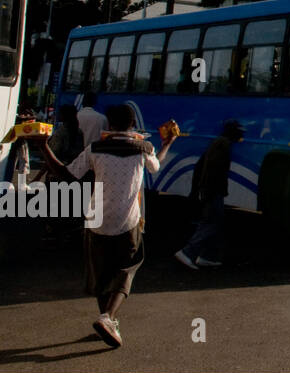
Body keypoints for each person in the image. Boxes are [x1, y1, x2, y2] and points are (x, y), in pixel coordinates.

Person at [39, 103, 177, 348]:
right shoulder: (143, 148)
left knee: (101, 275)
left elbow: (67, 174)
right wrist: (167, 144)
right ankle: (108, 317)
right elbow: (156, 166)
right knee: (128, 268)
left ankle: (107, 321)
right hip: (128, 223)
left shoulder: (95, 149)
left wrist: (43, 147)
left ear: (109, 126)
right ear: (133, 124)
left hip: (96, 222)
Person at [176, 119, 242, 269]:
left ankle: (209, 256)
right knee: (211, 223)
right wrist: (208, 190)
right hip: (213, 190)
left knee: (216, 223)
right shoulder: (223, 145)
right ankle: (188, 252)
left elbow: (200, 166)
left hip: (209, 189)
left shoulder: (217, 143)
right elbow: (214, 170)